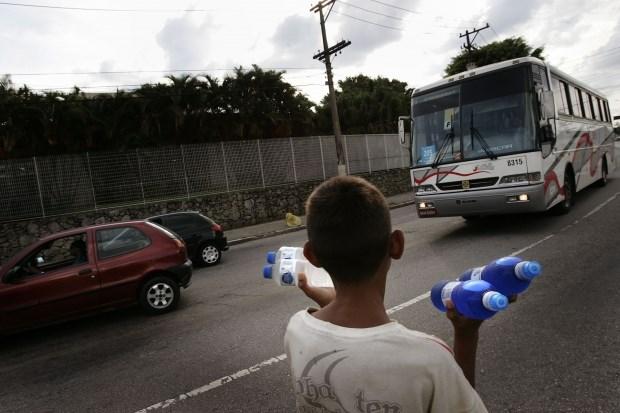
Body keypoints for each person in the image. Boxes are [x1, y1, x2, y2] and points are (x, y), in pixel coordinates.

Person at [284, 176, 488, 413]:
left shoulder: (296, 330)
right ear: (396, 245)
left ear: (311, 256)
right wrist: (466, 335)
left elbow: (347, 335)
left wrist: (330, 300)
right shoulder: (429, 359)